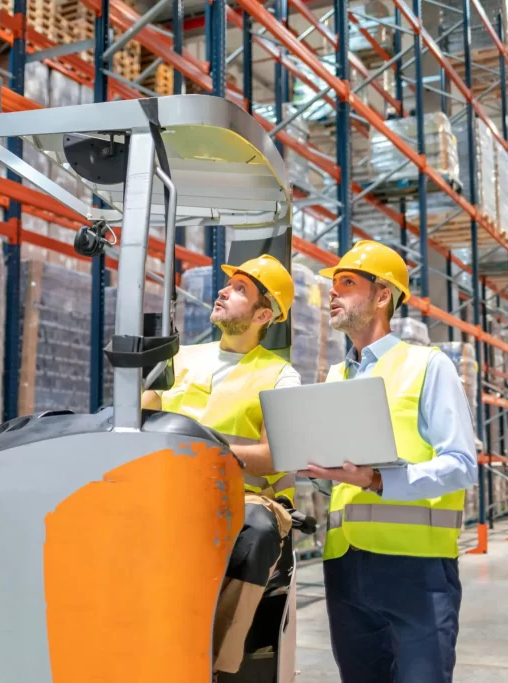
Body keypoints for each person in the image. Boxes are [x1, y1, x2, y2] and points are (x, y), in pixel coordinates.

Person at [300, 240, 477, 683]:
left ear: (383, 295)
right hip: (345, 565)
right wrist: (313, 470)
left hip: (416, 568)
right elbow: (339, 480)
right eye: (334, 284)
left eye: (347, 283)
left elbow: (461, 464)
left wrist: (379, 480)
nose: (333, 292)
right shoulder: (335, 375)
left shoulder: (428, 366)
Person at [142, 254, 301, 677]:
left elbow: (277, 454)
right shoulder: (179, 358)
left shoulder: (280, 375)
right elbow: (138, 417)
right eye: (228, 284)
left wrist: (210, 448)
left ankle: (214, 662)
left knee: (257, 532)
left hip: (243, 497)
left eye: (239, 289)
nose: (223, 292)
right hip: (167, 488)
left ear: (263, 315)